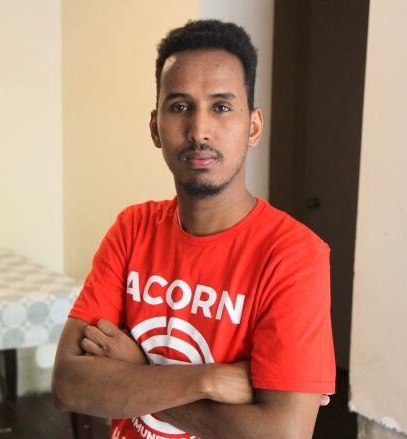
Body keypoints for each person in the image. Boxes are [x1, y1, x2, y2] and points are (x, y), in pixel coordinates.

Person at [52, 19, 335, 439]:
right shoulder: (132, 230)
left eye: (221, 107)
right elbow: (70, 384)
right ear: (155, 127)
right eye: (180, 106)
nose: (199, 130)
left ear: (253, 126)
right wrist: (206, 379)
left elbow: (282, 433)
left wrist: (139, 373)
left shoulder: (293, 255)